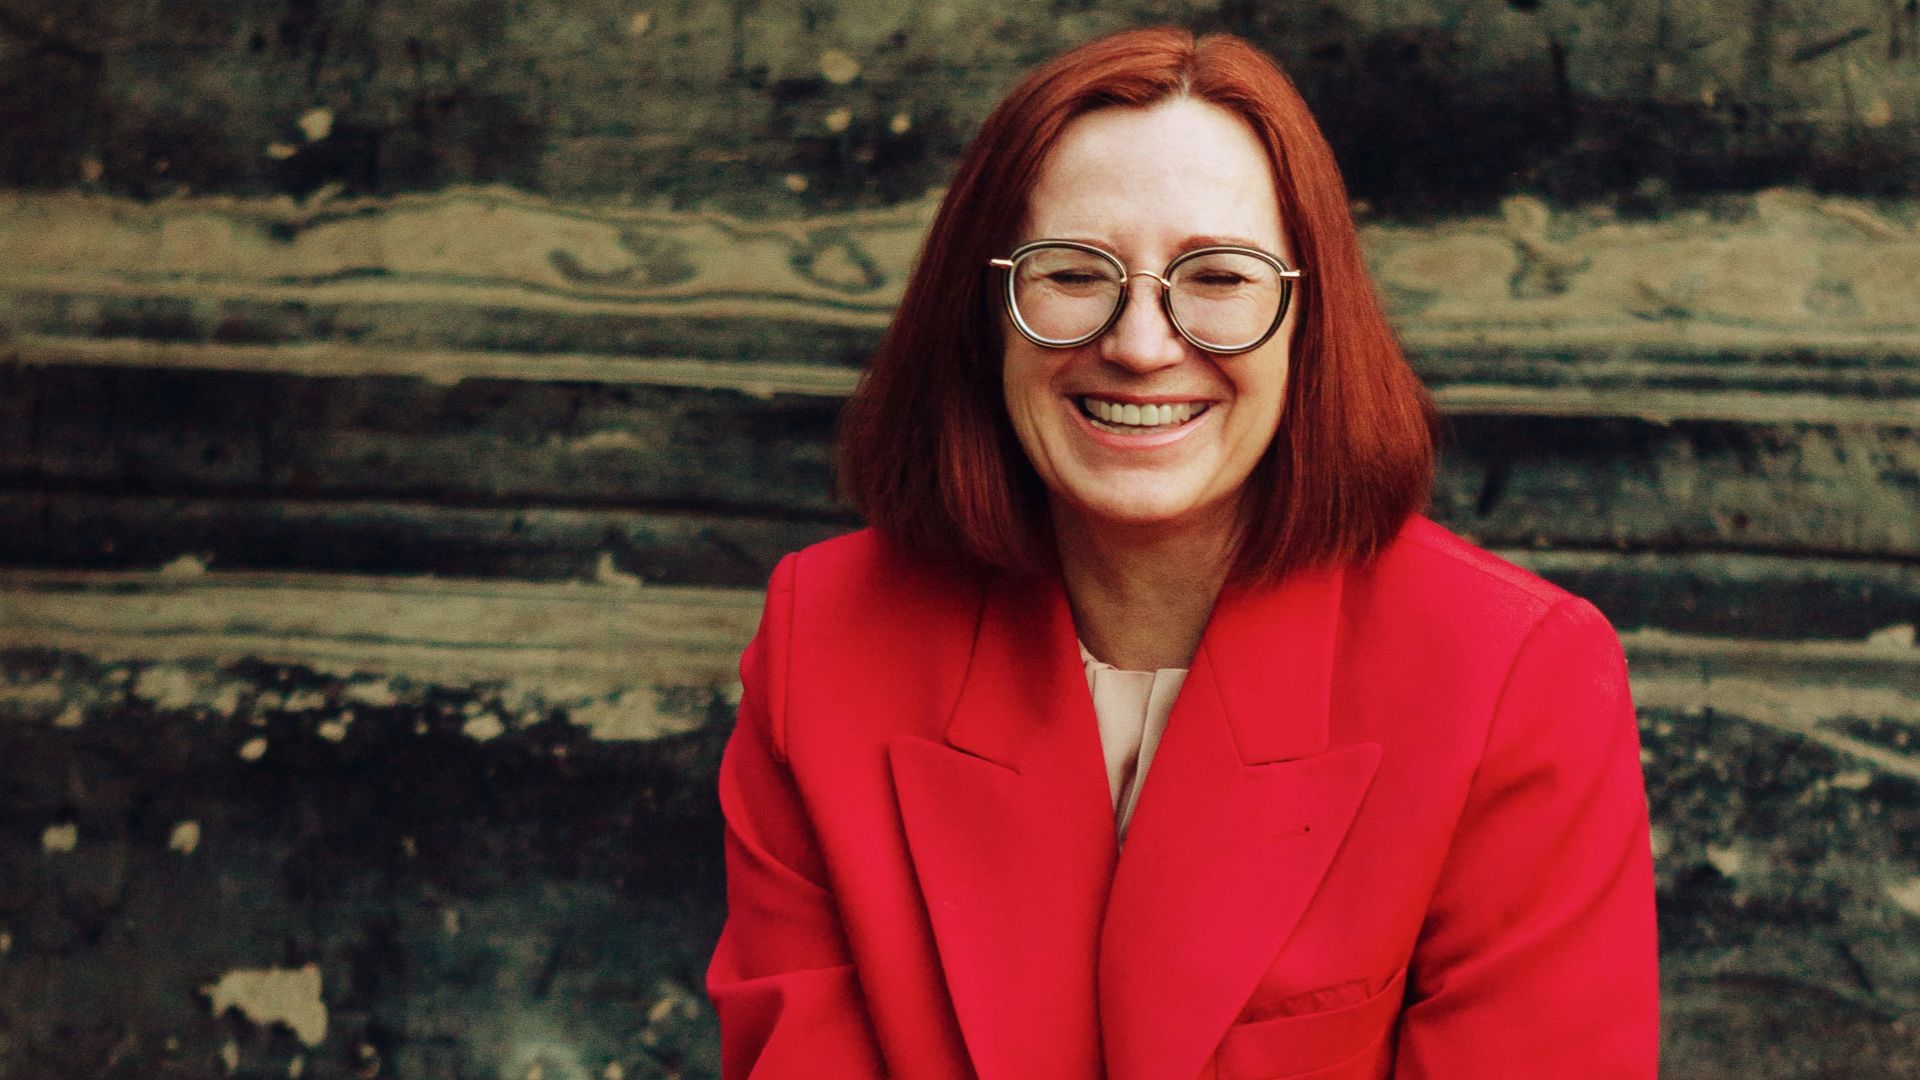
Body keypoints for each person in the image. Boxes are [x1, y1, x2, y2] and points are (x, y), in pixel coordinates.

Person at [706, 26, 1658, 1080]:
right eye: (1071, 272)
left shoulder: (1514, 675)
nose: (1142, 343)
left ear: (1308, 317)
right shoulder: (825, 639)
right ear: (984, 318)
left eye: (1218, 277)